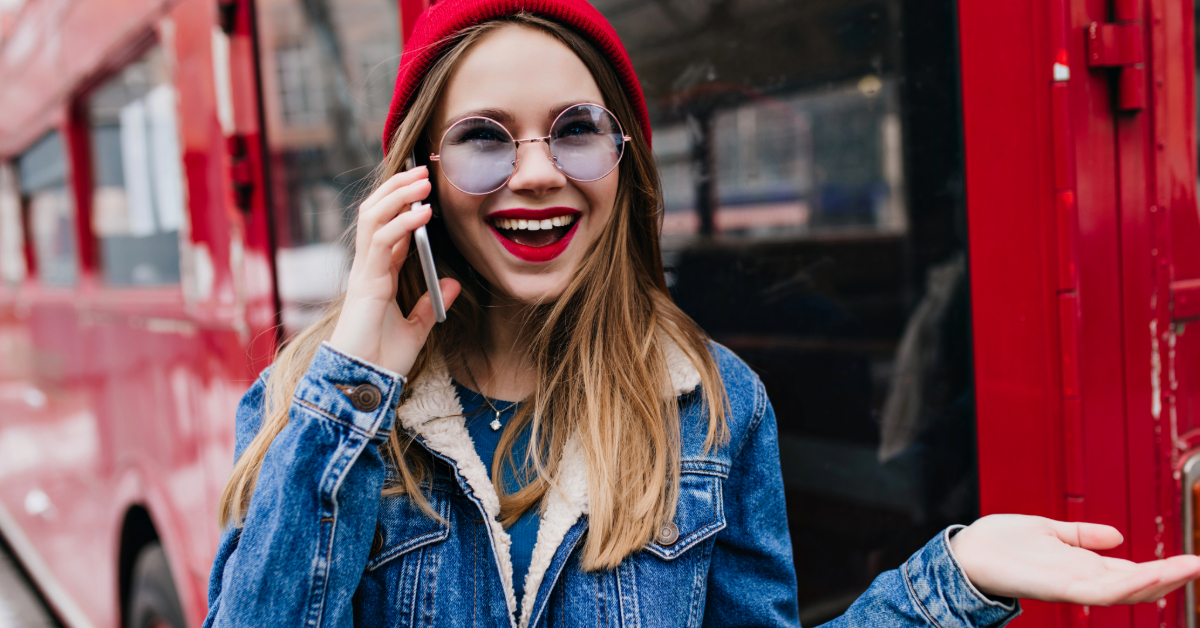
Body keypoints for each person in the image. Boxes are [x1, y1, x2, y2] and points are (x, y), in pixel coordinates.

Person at [202, 1, 1200, 626]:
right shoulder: (308, 403)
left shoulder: (713, 404)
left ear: (623, 160)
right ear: (417, 179)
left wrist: (950, 577)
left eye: (574, 132)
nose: (538, 174)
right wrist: (357, 382)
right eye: (484, 139)